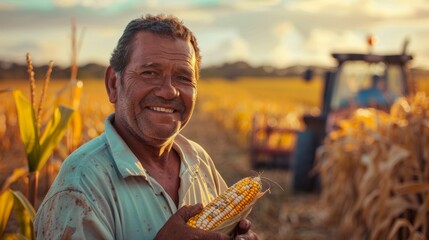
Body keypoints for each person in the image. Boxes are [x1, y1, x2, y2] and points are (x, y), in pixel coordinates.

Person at [34, 14, 258, 240]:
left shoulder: (198, 160)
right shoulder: (80, 186)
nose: (169, 91)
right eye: (150, 73)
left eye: (183, 77)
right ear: (114, 83)